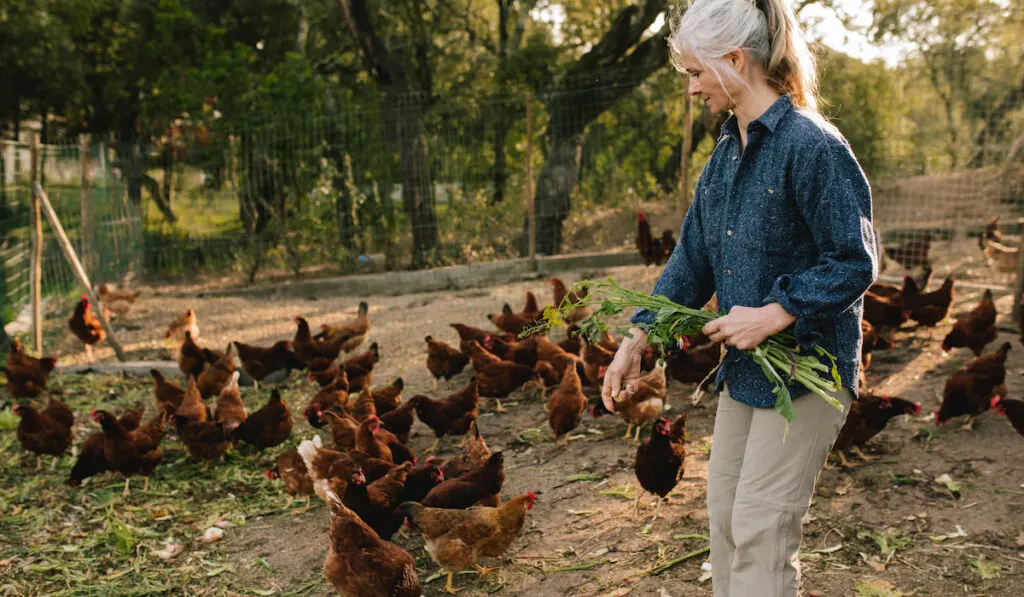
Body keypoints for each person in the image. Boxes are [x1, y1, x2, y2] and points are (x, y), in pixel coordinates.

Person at [601, 1, 878, 595]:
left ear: (736, 60)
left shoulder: (813, 147)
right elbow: (691, 260)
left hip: (808, 371)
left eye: (697, 73)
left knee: (762, 527)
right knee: (726, 518)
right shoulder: (726, 153)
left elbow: (856, 260)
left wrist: (778, 311)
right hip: (747, 371)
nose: (692, 88)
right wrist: (638, 337)